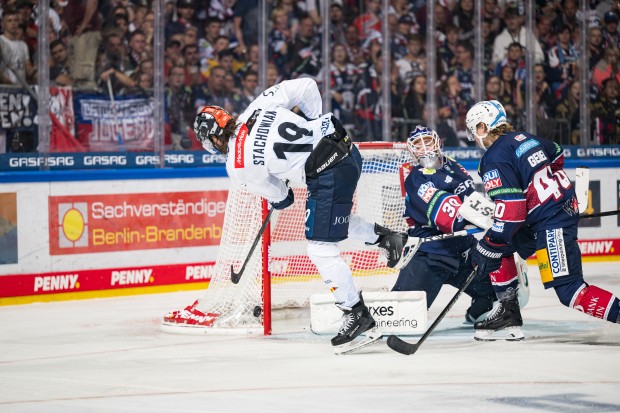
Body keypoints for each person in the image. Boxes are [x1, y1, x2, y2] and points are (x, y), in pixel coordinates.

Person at [166, 77, 407, 350]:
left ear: (213, 138)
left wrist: (282, 187)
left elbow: (282, 197)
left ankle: (355, 312)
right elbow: (306, 86)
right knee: (326, 221)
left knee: (319, 248)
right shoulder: (256, 108)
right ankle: (386, 237)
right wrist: (316, 128)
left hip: (330, 172)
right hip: (347, 149)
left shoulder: (238, 165)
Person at [465, 100, 620, 341]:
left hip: (552, 223)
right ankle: (509, 312)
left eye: (474, 130)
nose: (474, 137)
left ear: (483, 127)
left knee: (569, 290)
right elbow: (556, 152)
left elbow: (512, 211)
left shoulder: (493, 158)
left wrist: (490, 243)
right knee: (501, 247)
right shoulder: (526, 138)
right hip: (552, 214)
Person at [392, 126, 499, 324]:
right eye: (417, 144)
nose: (424, 147)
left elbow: (473, 200)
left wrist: (492, 216)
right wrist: (470, 219)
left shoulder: (454, 167)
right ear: (412, 150)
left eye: (428, 141)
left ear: (437, 142)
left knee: (498, 290)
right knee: (402, 316)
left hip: (464, 253)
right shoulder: (416, 178)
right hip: (431, 256)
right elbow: (446, 216)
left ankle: (477, 313)